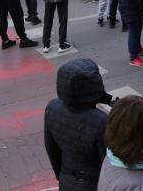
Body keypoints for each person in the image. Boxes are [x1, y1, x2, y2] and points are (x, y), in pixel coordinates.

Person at [45, 59, 113, 191]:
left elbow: (52, 149)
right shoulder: (101, 121)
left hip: (67, 177)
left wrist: (61, 175)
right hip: (95, 182)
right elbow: (108, 162)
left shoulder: (52, 107)